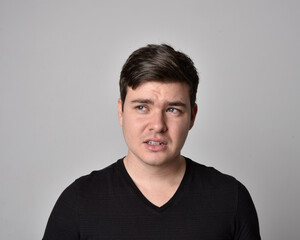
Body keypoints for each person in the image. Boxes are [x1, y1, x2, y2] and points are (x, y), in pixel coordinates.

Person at [42, 44, 261, 239]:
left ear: (192, 116)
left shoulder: (231, 199)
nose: (157, 125)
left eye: (173, 109)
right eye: (142, 107)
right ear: (120, 112)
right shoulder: (79, 201)